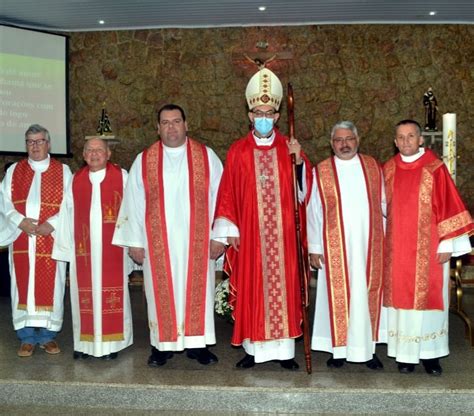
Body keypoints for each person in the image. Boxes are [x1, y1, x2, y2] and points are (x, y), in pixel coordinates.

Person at [213, 67, 312, 370]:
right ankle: (252, 349)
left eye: (269, 112)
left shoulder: (289, 147)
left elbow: (305, 192)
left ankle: (284, 353)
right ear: (250, 115)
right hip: (251, 237)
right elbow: (228, 191)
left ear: (279, 116)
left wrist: (299, 164)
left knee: (284, 290)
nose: (264, 117)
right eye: (258, 112)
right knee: (253, 288)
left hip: (283, 238)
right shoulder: (238, 151)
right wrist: (229, 229)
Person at [112, 104, 223, 367]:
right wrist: (135, 242)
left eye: (176, 121)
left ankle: (198, 345)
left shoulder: (207, 157)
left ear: (186, 124)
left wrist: (220, 235)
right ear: (157, 128)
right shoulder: (145, 159)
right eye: (165, 122)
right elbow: (133, 202)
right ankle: (162, 345)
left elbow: (222, 198)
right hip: (157, 244)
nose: (171, 127)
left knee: (199, 293)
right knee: (159, 293)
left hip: (197, 243)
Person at [384, 119, 473, 375]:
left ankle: (431, 356)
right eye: (400, 137)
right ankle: (405, 356)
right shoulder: (388, 169)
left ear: (421, 139)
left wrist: (448, 243)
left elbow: (449, 205)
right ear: (394, 141)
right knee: (402, 305)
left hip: (430, 249)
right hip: (398, 250)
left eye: (411, 136)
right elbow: (380, 208)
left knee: (429, 304)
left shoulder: (435, 168)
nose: (405, 142)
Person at [307, 121, 386, 370]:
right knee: (336, 296)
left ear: (358, 139)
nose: (344, 144)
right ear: (331, 144)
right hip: (334, 247)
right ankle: (338, 349)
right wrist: (315, 246)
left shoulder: (373, 167)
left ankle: (368, 349)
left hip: (368, 244)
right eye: (339, 140)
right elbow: (314, 210)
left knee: (367, 294)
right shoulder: (321, 171)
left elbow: (385, 205)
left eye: (349, 139)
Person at [53, 138, 132, 360]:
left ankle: (112, 344)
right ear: (84, 155)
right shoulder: (76, 180)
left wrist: (131, 242)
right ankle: (84, 343)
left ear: (108, 154)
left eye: (99, 150)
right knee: (82, 297)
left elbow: (132, 210)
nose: (94, 154)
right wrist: (65, 249)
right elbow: (66, 215)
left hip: (113, 249)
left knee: (111, 295)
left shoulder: (122, 176)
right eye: (89, 150)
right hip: (83, 251)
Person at [0, 124, 72, 357]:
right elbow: (4, 202)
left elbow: (70, 204)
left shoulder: (63, 171)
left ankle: (48, 336)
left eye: (39, 141)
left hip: (50, 238)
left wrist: (52, 223)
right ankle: (27, 337)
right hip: (22, 239)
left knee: (53, 286)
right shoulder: (14, 171)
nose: (35, 146)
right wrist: (20, 221)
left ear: (48, 143)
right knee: (23, 288)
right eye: (30, 142)